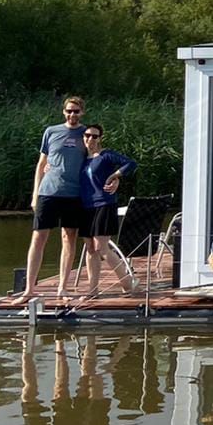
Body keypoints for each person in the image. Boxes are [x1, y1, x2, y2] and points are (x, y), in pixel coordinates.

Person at [9, 95, 89, 305]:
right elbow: (41, 163)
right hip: (49, 192)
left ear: (82, 113)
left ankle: (63, 287)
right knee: (38, 238)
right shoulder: (51, 132)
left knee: (68, 238)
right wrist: (35, 193)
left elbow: (95, 159)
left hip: (74, 193)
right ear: (64, 112)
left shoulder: (87, 133)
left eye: (76, 111)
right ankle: (29, 289)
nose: (72, 115)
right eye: (69, 111)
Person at [78, 122, 139, 297]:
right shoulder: (81, 159)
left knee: (101, 247)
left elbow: (130, 164)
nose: (90, 139)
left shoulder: (105, 155)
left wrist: (115, 176)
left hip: (104, 203)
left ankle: (128, 283)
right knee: (90, 248)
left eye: (94, 136)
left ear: (100, 138)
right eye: (87, 135)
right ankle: (92, 290)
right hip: (86, 206)